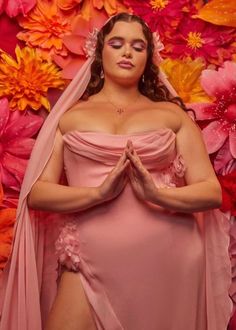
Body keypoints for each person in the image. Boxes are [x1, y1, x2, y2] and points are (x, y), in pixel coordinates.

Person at [0, 13, 232, 330]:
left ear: (149, 58)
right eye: (117, 43)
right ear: (100, 52)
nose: (127, 52)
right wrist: (98, 194)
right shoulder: (70, 117)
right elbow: (37, 193)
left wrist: (156, 194)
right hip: (89, 256)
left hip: (167, 258)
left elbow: (210, 190)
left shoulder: (172, 115)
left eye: (138, 46)